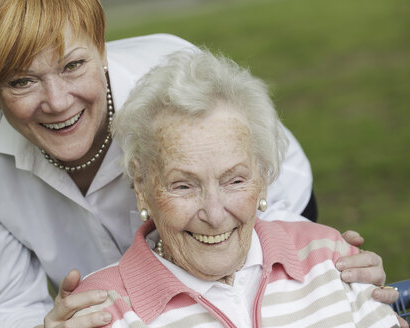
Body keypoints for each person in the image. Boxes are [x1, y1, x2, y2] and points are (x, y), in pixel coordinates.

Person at [0, 0, 398, 327]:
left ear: (100, 48)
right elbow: (6, 301)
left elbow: (265, 173)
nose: (57, 101)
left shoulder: (170, 77)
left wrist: (314, 260)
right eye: (21, 81)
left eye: (74, 65)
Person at [73, 49, 401, 327]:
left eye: (235, 180)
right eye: (183, 185)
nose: (215, 215)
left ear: (263, 178)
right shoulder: (102, 311)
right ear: (142, 188)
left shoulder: (329, 258)